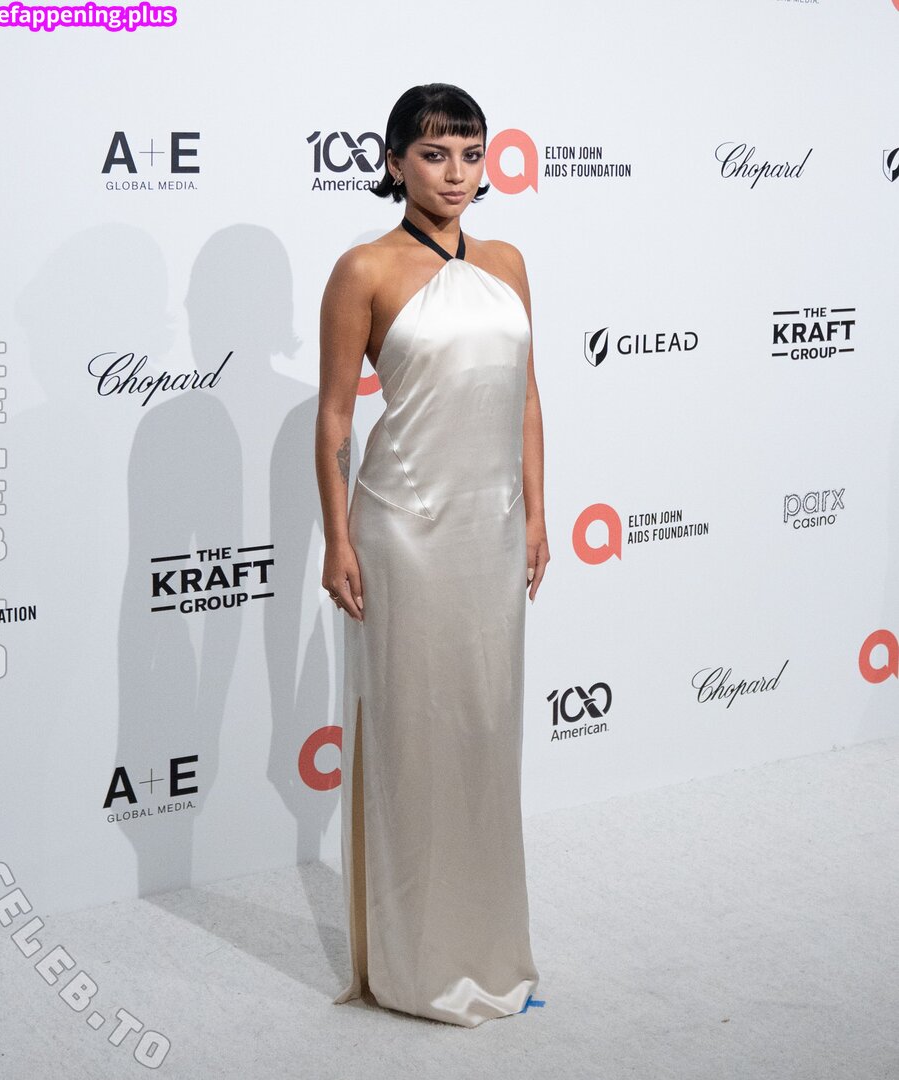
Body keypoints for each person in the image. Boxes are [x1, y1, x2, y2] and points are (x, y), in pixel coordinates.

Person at [315, 82, 549, 1028]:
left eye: (469, 153)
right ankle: (416, 967)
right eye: (433, 153)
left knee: (485, 737)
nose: (455, 173)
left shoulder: (506, 261)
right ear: (393, 163)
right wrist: (337, 535)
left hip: (490, 533)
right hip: (402, 536)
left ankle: (488, 951)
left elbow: (525, 394)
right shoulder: (364, 268)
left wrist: (535, 512)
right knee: (414, 741)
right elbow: (337, 415)